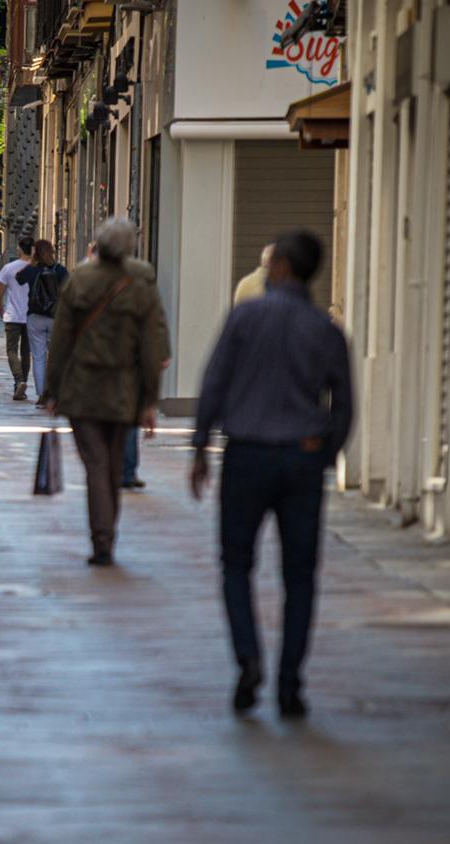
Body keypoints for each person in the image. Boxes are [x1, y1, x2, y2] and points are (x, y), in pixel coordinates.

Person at [190, 229, 353, 719]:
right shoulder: (325, 330)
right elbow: (344, 406)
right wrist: (322, 454)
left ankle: (248, 658)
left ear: (280, 265)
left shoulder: (246, 316)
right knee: (299, 574)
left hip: (247, 454)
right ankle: (289, 684)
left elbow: (214, 381)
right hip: (300, 457)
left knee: (236, 563)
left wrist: (200, 446)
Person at [39, 217, 170, 566]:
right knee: (111, 464)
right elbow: (150, 349)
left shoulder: (80, 280)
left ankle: (102, 539)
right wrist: (149, 400)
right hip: (123, 390)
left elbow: (62, 341)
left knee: (96, 463)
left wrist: (52, 389)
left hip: (83, 388)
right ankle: (106, 534)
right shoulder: (140, 286)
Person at [17, 238, 67, 399]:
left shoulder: (32, 270)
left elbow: (19, 279)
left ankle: (41, 394)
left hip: (35, 316)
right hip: (55, 317)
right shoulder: (60, 270)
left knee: (38, 357)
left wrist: (31, 261)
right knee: (55, 356)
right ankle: (54, 393)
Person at [0, 237, 36, 400]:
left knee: (11, 350)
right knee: (26, 352)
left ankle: (18, 381)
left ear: (19, 249)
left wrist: (1, 312)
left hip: (12, 315)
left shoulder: (9, 268)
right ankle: (22, 383)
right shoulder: (36, 269)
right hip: (31, 316)